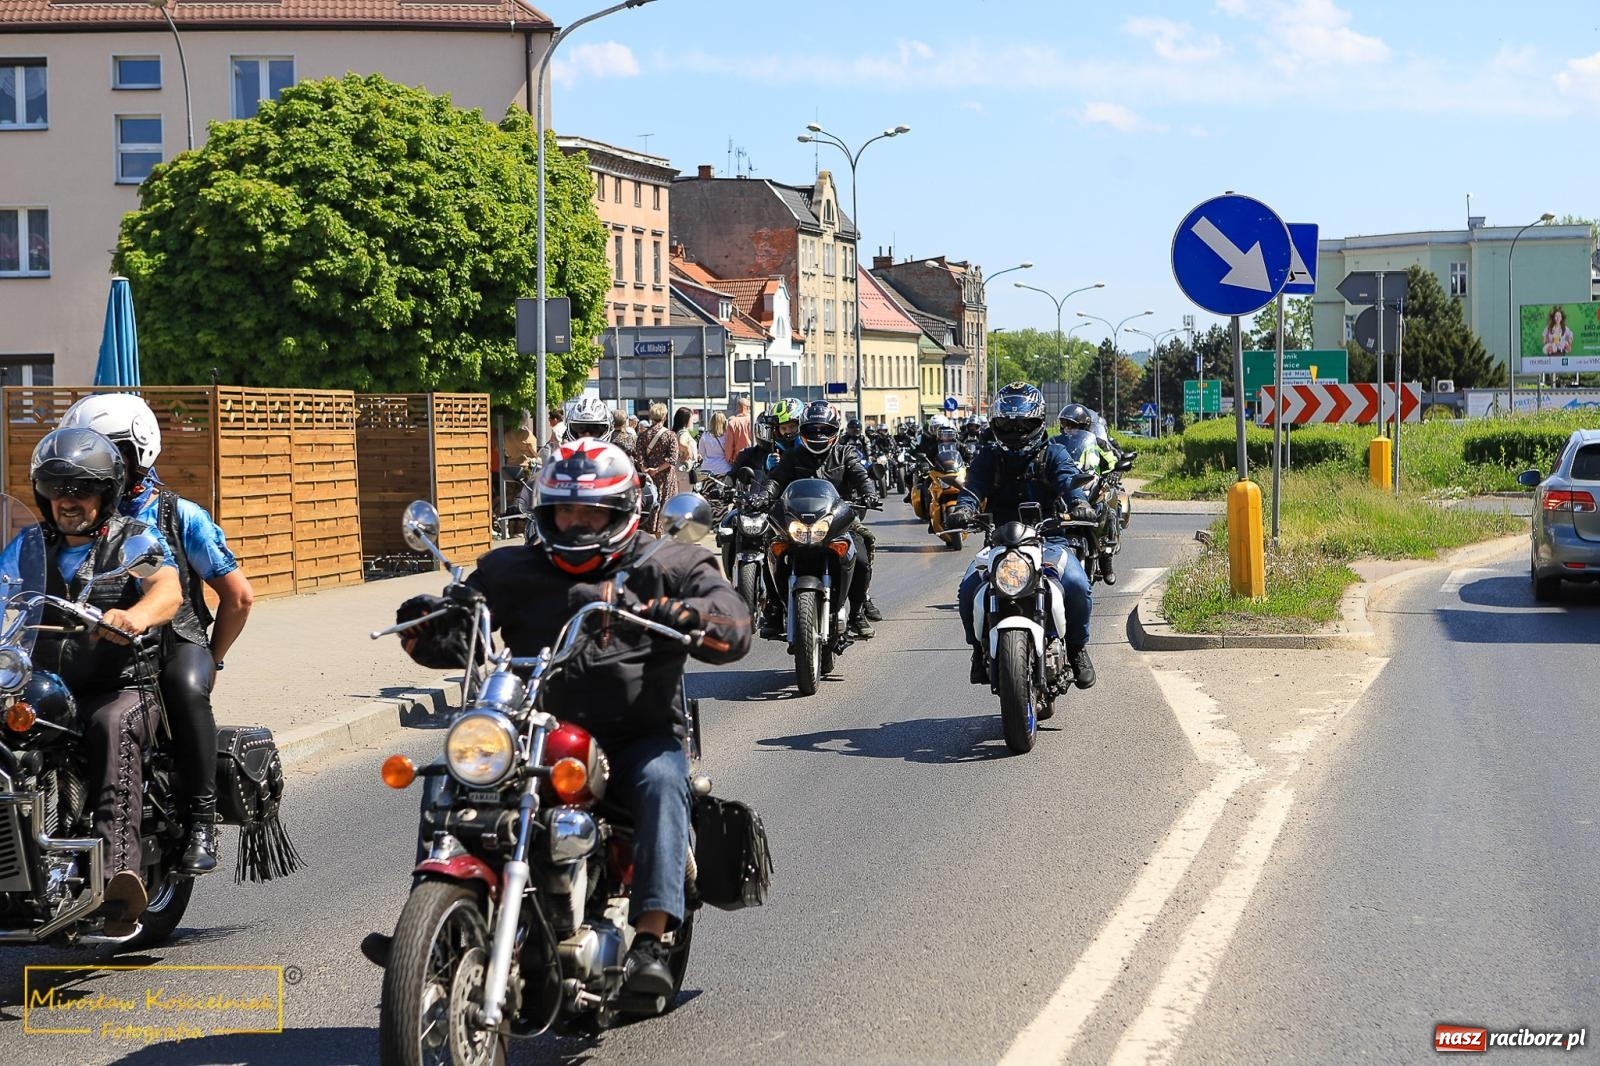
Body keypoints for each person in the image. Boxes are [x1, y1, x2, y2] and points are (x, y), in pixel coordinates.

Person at [396, 440, 751, 997]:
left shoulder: (670, 562)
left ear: (621, 510)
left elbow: (730, 619)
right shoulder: (511, 566)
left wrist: (688, 614)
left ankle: (653, 939)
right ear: (546, 512)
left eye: (591, 512)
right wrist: (432, 621)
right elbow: (460, 631)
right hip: (531, 727)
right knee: (450, 771)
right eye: (565, 510)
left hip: (636, 732)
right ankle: (427, 923)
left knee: (662, 780)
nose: (576, 522)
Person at [58, 393, 257, 876]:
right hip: (91, 644)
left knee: (185, 689)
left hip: (174, 639)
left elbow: (239, 597)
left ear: (140, 451)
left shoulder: (179, 514)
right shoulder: (77, 518)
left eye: (111, 449)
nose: (98, 461)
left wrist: (213, 657)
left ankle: (201, 820)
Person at [1, 428, 182, 934]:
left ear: (107, 492)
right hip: (42, 682)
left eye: (81, 489)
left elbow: (167, 588)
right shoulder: (28, 545)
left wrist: (136, 617)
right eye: (57, 489)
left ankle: (117, 877)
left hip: (120, 683)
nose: (68, 500)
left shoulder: (134, 538)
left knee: (110, 726)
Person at [947, 383, 1096, 690]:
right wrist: (963, 510)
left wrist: (1079, 503)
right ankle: (978, 650)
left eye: (1023, 424)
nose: (1015, 430)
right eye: (1008, 424)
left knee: (1078, 585)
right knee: (968, 589)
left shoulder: (1053, 453)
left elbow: (1069, 480)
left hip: (1049, 540)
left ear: (1038, 422)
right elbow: (972, 490)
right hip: (1001, 541)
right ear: (996, 424)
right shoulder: (988, 457)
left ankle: (1078, 648)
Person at [757, 401, 880, 638]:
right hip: (797, 519)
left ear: (835, 431)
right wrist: (764, 496)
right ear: (803, 432)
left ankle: (857, 611)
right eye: (812, 430)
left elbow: (860, 475)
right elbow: (776, 479)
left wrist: (870, 493)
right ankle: (773, 609)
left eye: (824, 430)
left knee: (862, 553)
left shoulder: (845, 453)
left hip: (837, 518)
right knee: (771, 549)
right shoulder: (793, 456)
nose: (818, 435)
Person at [635, 403, 680, 535]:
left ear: (651, 416)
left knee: (651, 503)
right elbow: (673, 458)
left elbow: (639, 457)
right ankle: (662, 535)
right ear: (664, 416)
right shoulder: (670, 435)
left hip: (649, 477)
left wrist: (646, 470)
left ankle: (650, 531)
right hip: (666, 477)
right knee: (666, 504)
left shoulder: (643, 435)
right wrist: (658, 469)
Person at [699, 411, 733, 478]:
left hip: (707, 469)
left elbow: (702, 453)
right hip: (724, 468)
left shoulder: (705, 436)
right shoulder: (727, 436)